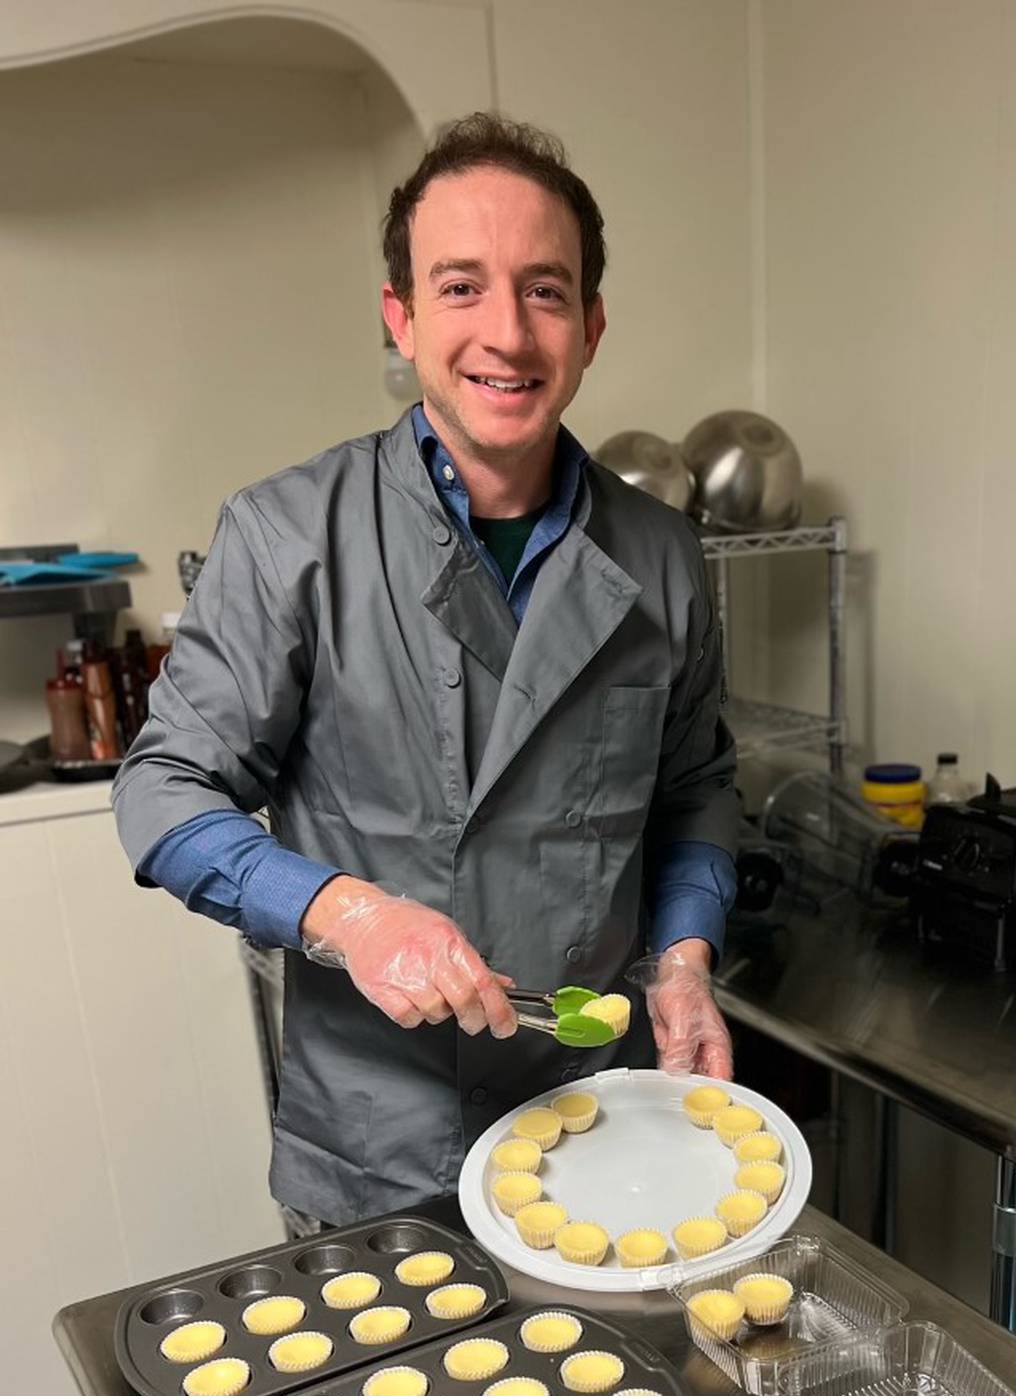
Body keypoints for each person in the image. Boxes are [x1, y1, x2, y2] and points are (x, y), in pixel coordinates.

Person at [113, 113, 738, 1227]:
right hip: (377, 1145)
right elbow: (163, 793)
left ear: (590, 325)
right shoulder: (287, 536)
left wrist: (683, 956)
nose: (507, 332)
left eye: (545, 290)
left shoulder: (666, 557)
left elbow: (695, 791)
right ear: (400, 317)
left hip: (596, 1121)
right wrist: (349, 915)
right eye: (461, 287)